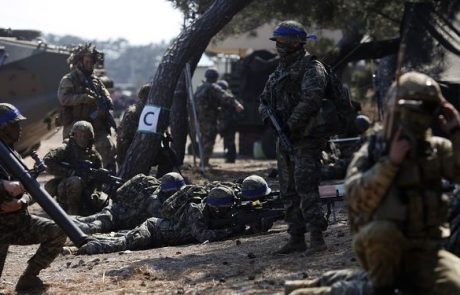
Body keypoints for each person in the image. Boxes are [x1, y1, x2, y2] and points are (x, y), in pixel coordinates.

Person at [345, 72, 460, 294]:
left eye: (427, 109)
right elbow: (355, 197)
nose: (419, 116)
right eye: (413, 109)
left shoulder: (436, 148)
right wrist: (390, 163)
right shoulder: (376, 148)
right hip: (383, 246)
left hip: (428, 250)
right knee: (383, 231)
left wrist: (456, 131)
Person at [259, 20, 328, 254]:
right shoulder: (279, 70)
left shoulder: (312, 68)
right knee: (288, 188)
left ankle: (317, 238)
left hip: (306, 138)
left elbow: (312, 99)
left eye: (285, 41)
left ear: (298, 43)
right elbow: (265, 99)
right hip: (285, 138)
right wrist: (269, 119)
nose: (281, 46)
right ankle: (296, 236)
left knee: (306, 186)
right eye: (278, 41)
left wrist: (291, 125)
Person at [0, 103, 67, 291]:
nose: (20, 129)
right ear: (2, 128)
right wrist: (3, 185)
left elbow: (32, 190)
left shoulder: (14, 155)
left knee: (58, 231)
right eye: (15, 125)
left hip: (19, 223)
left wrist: (21, 202)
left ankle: (29, 278)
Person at [77, 186, 244, 254]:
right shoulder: (196, 211)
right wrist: (233, 230)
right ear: (216, 207)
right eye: (225, 208)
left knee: (123, 236)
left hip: (161, 235)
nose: (227, 211)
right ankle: (90, 247)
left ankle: (87, 241)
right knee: (128, 242)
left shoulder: (211, 212)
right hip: (152, 229)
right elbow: (204, 236)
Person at [57, 43, 116, 172]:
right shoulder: (69, 79)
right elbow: (64, 98)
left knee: (107, 147)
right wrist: (83, 98)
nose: (90, 65)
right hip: (75, 126)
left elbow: (106, 97)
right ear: (79, 61)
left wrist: (105, 105)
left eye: (92, 62)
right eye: (87, 61)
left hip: (96, 125)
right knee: (75, 159)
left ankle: (109, 183)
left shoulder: (96, 81)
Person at [71, 172, 184, 234]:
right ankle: (59, 226)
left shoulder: (159, 192)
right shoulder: (156, 201)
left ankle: (59, 222)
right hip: (114, 217)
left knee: (83, 220)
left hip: (115, 211)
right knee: (89, 227)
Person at [44, 120, 104, 215]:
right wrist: (67, 172)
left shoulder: (94, 156)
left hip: (87, 189)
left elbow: (99, 180)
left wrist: (97, 193)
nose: (82, 138)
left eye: (85, 136)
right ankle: (72, 214)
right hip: (65, 187)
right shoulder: (65, 149)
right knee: (75, 181)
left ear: (90, 137)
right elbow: (47, 161)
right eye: (79, 135)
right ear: (74, 136)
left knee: (103, 200)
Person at [116, 83, 177, 177]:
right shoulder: (133, 112)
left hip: (148, 147)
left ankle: (160, 181)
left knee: (169, 158)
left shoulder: (153, 111)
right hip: (130, 149)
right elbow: (129, 134)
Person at [195, 69, 244, 167]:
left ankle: (204, 162)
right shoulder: (213, 87)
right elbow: (225, 95)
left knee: (204, 139)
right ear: (215, 78)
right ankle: (204, 163)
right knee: (209, 140)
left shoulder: (200, 88)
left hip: (200, 118)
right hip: (210, 118)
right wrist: (236, 104)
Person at [216, 79, 238, 163]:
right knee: (229, 140)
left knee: (230, 140)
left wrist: (223, 125)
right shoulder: (228, 96)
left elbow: (227, 114)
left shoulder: (227, 98)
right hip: (229, 122)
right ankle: (229, 157)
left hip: (229, 122)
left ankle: (231, 157)